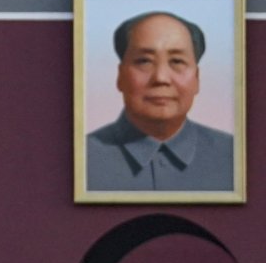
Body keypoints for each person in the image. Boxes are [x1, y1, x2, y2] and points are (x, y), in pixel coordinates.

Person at [86, 11, 234, 192]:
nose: (161, 78)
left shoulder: (235, 157)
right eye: (144, 61)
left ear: (197, 78)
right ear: (120, 76)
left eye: (177, 61)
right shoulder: (80, 158)